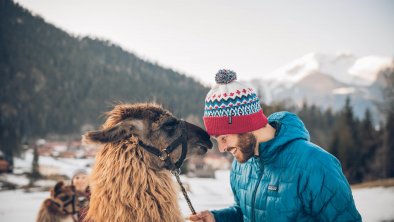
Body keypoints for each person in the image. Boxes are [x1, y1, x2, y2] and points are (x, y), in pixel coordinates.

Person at [188, 69, 361, 222]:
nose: (222, 148)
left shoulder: (316, 164)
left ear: (246, 126)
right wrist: (217, 218)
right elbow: (246, 213)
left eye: (224, 137)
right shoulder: (242, 164)